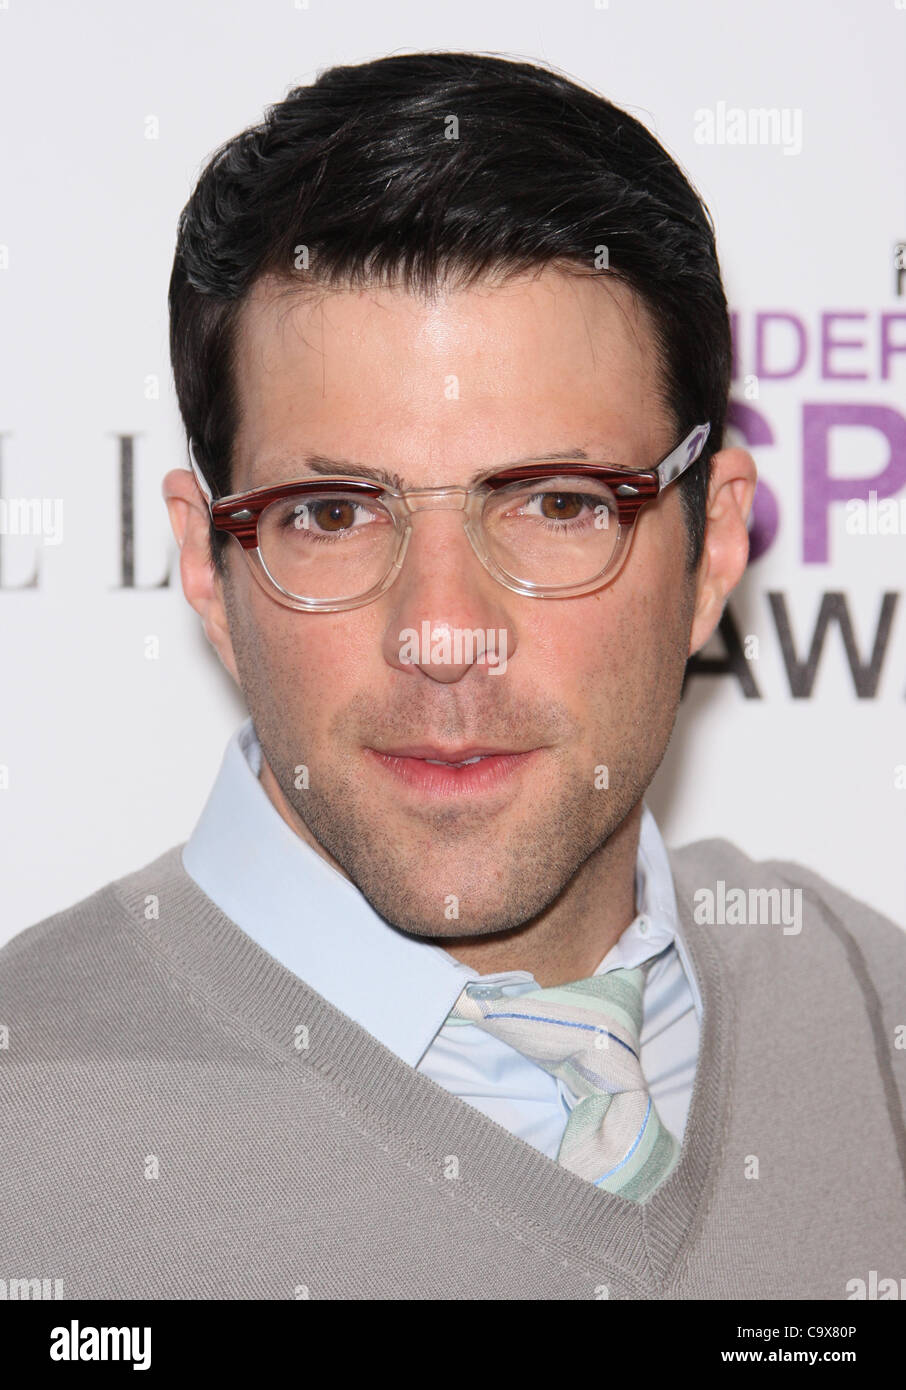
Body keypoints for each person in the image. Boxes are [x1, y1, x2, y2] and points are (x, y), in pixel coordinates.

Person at [1, 51, 904, 1302]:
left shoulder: (871, 1011)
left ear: (719, 544)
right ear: (210, 569)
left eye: (554, 502)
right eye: (331, 512)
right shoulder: (23, 1132)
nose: (441, 632)